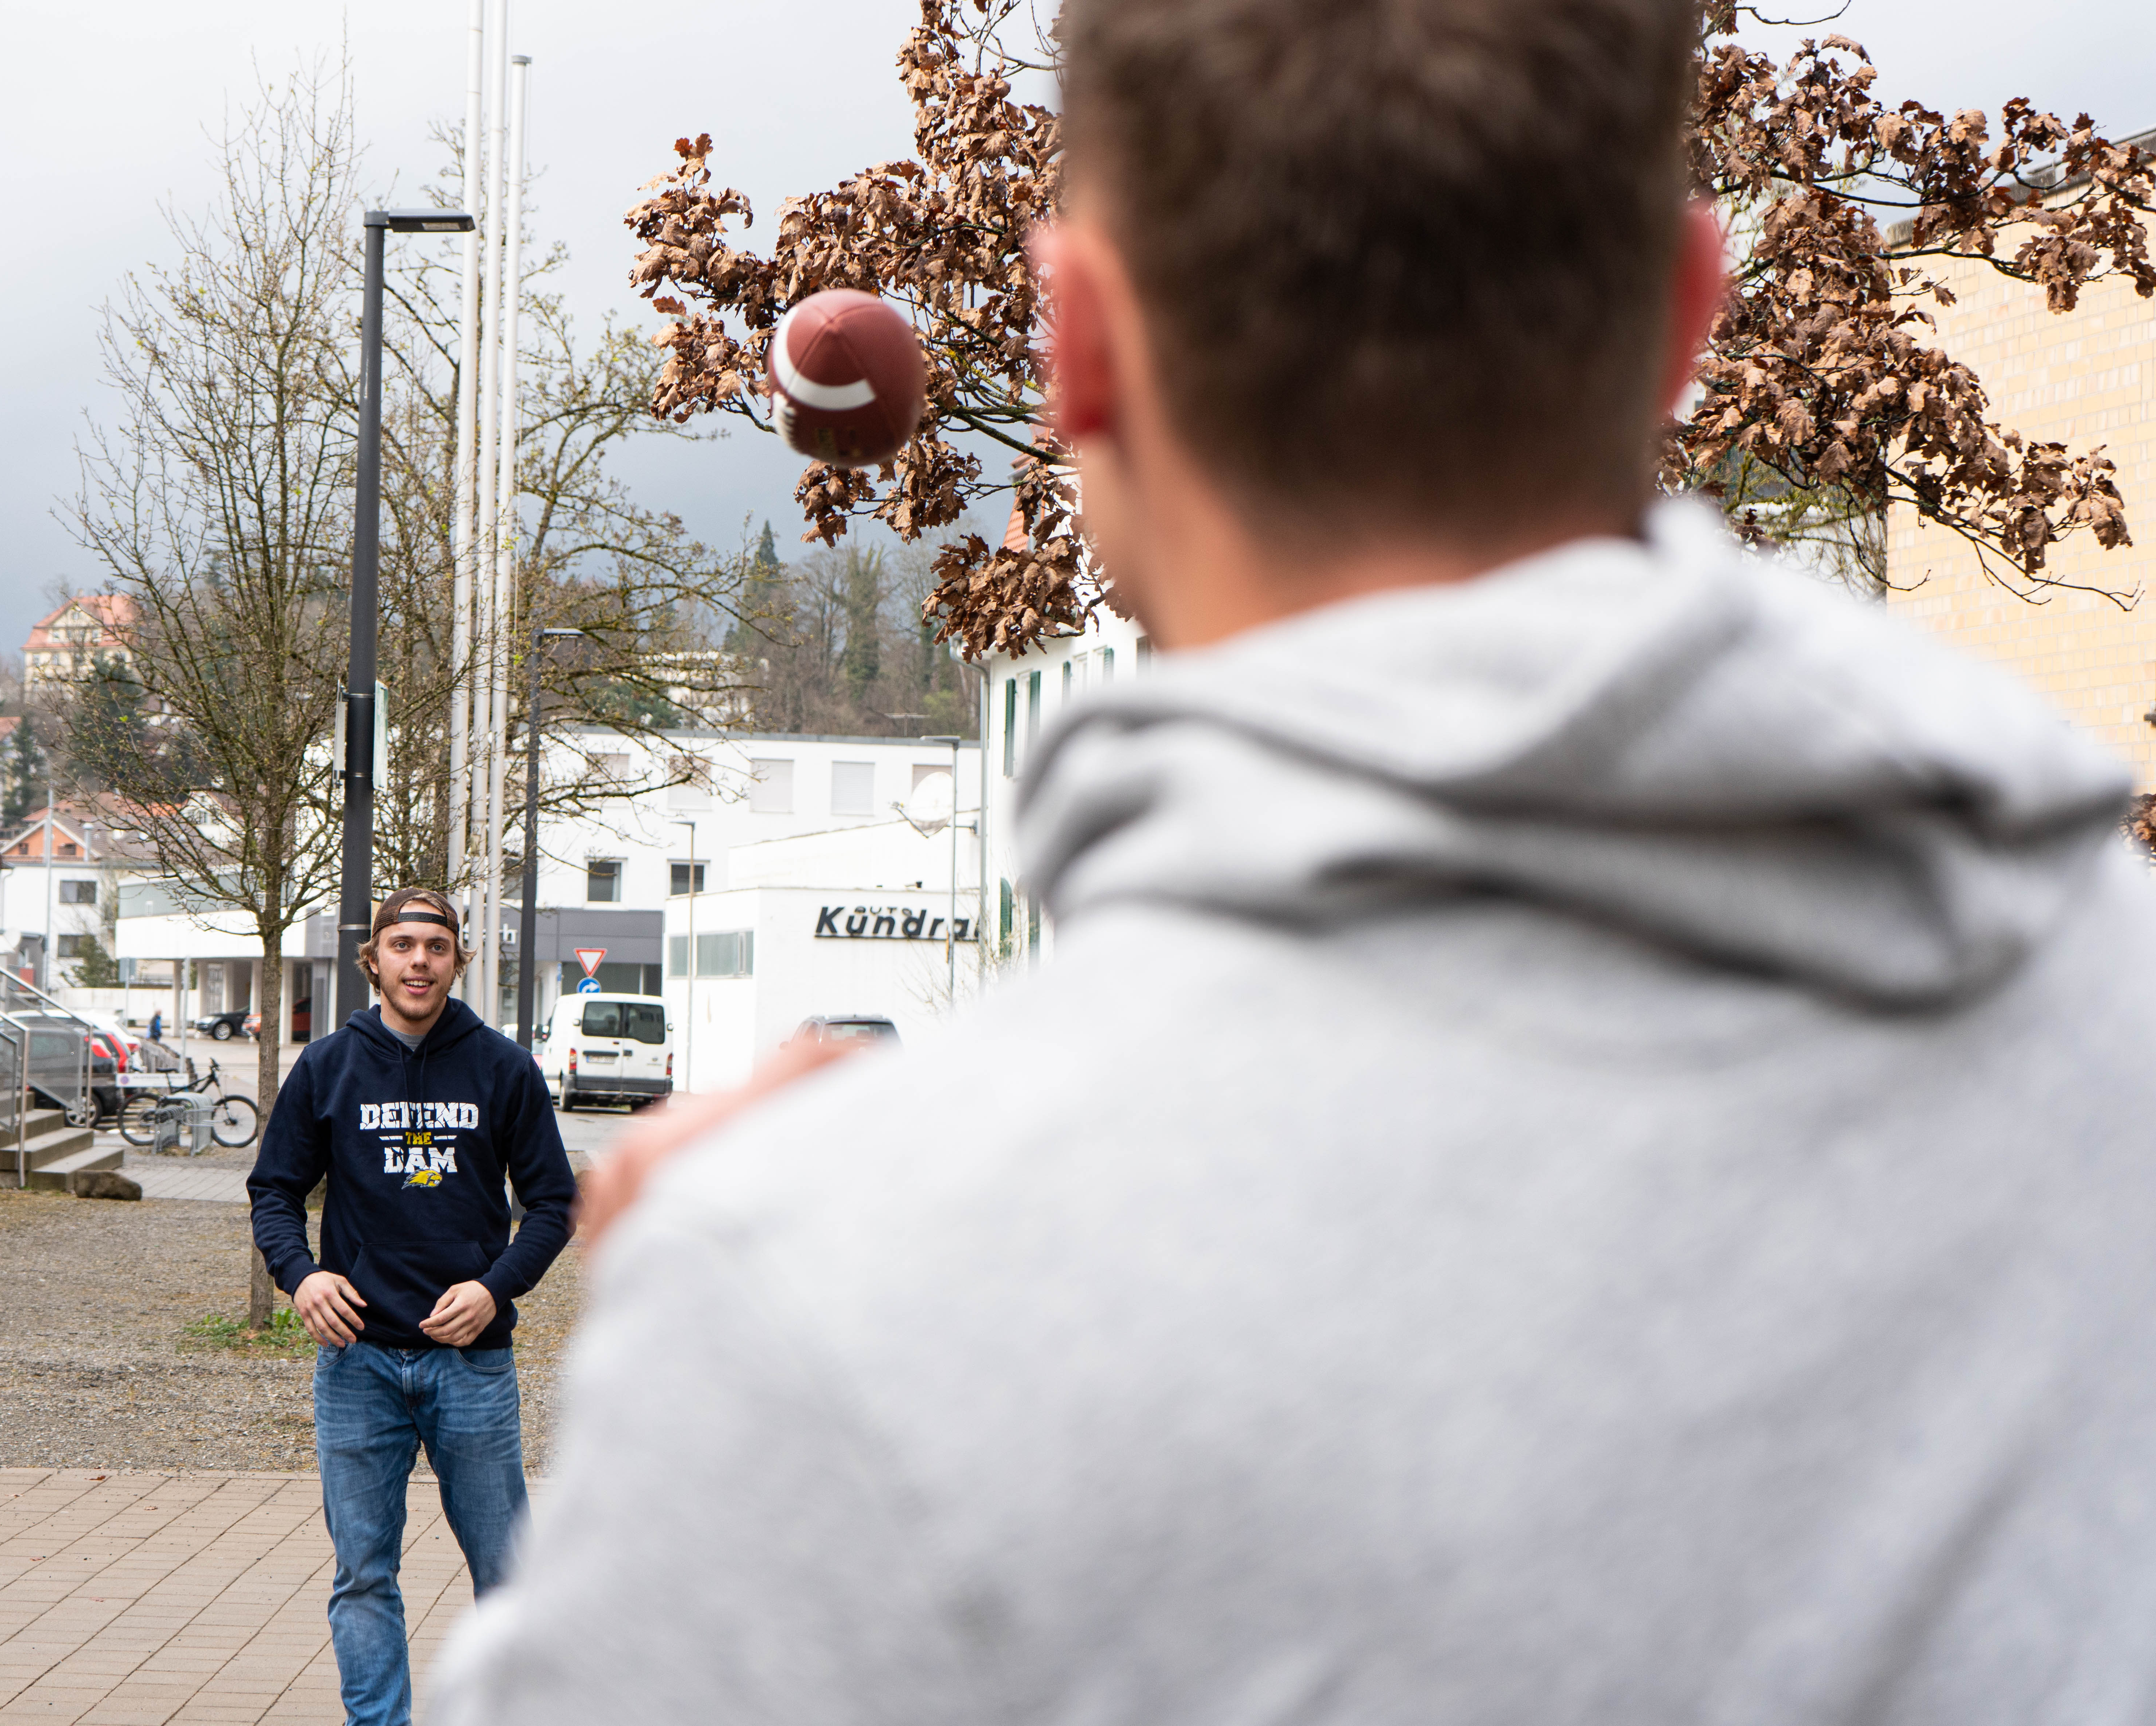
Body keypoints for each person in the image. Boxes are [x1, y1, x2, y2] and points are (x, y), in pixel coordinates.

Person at [429, 0, 2156, 1721]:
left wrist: (710, 1348)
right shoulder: (2112, 1012)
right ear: (1687, 319)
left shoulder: (834, 1282)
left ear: (1078, 342)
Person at [248, 886, 574, 1726]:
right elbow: (274, 1191)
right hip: (356, 1363)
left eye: (435, 944)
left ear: (458, 958)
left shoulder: (502, 1066)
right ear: (375, 960)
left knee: (506, 1574)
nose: (419, 959)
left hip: (471, 1364)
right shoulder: (327, 1065)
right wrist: (302, 1276)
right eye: (402, 944)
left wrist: (494, 1285)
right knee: (363, 1571)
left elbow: (551, 1203)